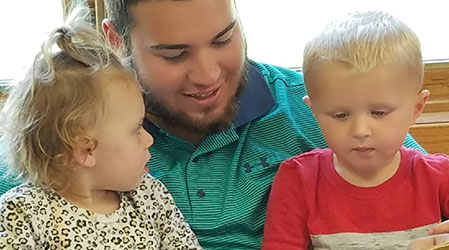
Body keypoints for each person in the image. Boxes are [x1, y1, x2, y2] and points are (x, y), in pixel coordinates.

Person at [0, 1, 424, 248]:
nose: (207, 75)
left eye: (223, 40)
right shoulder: (64, 136)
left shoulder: (331, 112)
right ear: (116, 41)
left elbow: (428, 188)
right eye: (174, 53)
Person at [261, 11, 449, 250]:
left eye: (379, 113)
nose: (360, 130)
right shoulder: (298, 180)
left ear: (416, 109)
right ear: (314, 112)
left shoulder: (437, 175)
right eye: (340, 115)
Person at [0, 7, 201, 249]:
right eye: (137, 128)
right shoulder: (22, 214)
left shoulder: (150, 195)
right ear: (86, 151)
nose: (149, 139)